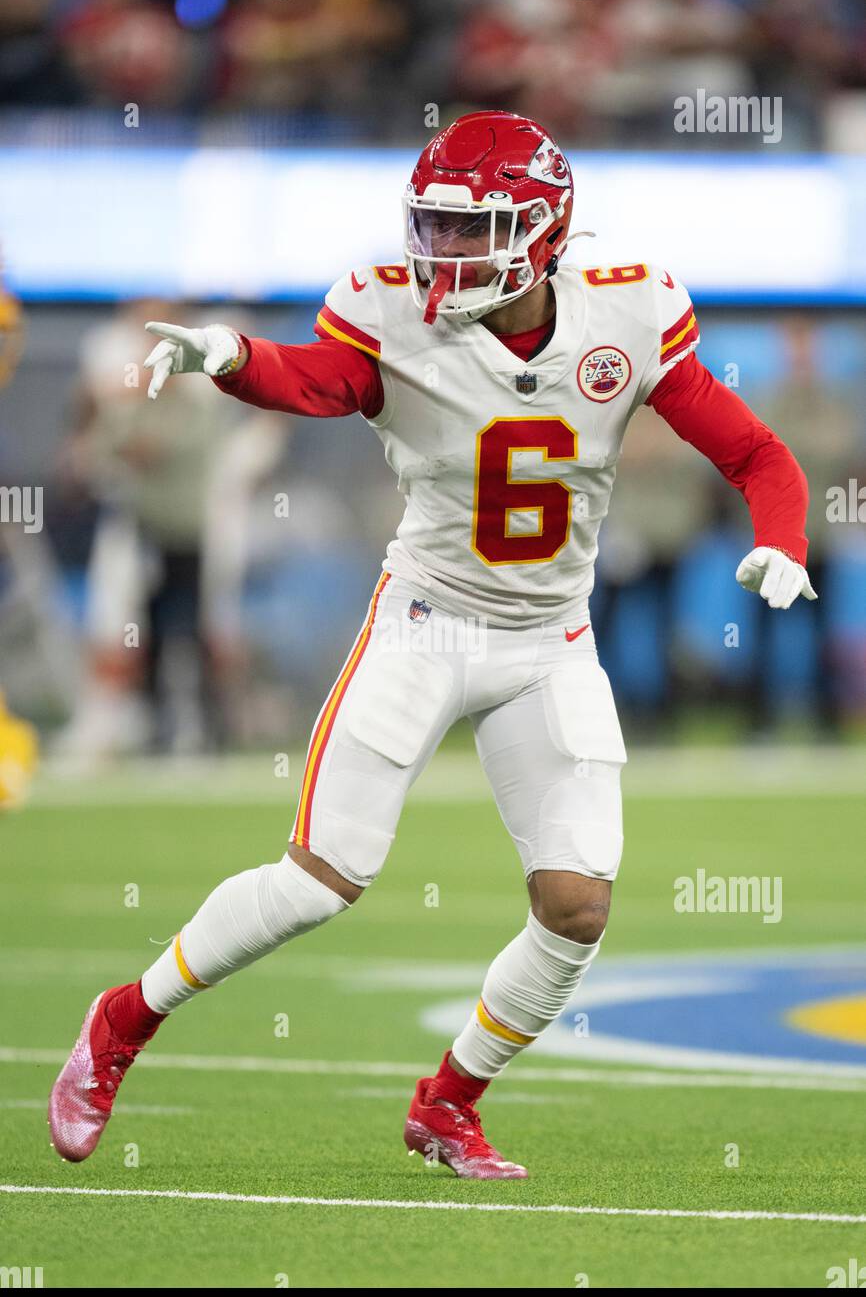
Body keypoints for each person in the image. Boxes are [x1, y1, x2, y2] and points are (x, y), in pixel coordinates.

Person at [49, 111, 815, 1180]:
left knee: (576, 907)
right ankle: (122, 1021)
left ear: (544, 233)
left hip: (549, 638)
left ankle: (448, 1102)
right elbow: (317, 381)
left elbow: (754, 451)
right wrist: (231, 357)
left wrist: (780, 540)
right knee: (321, 880)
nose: (443, 255)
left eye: (473, 230)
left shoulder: (627, 308)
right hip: (424, 620)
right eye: (434, 227)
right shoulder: (392, 312)